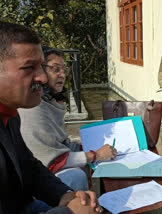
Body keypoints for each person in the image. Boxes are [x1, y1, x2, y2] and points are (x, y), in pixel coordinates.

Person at [0, 21, 101, 214]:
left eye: (41, 67)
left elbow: (30, 166)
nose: (43, 78)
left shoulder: (11, 115)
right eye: (29, 68)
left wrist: (63, 195)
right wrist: (69, 212)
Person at [18, 47, 117, 191]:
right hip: (31, 182)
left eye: (64, 69)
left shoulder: (49, 102)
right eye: (56, 69)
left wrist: (87, 148)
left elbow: (60, 144)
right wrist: (96, 154)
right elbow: (50, 159)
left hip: (44, 171)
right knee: (76, 176)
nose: (62, 75)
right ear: (39, 72)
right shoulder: (33, 108)